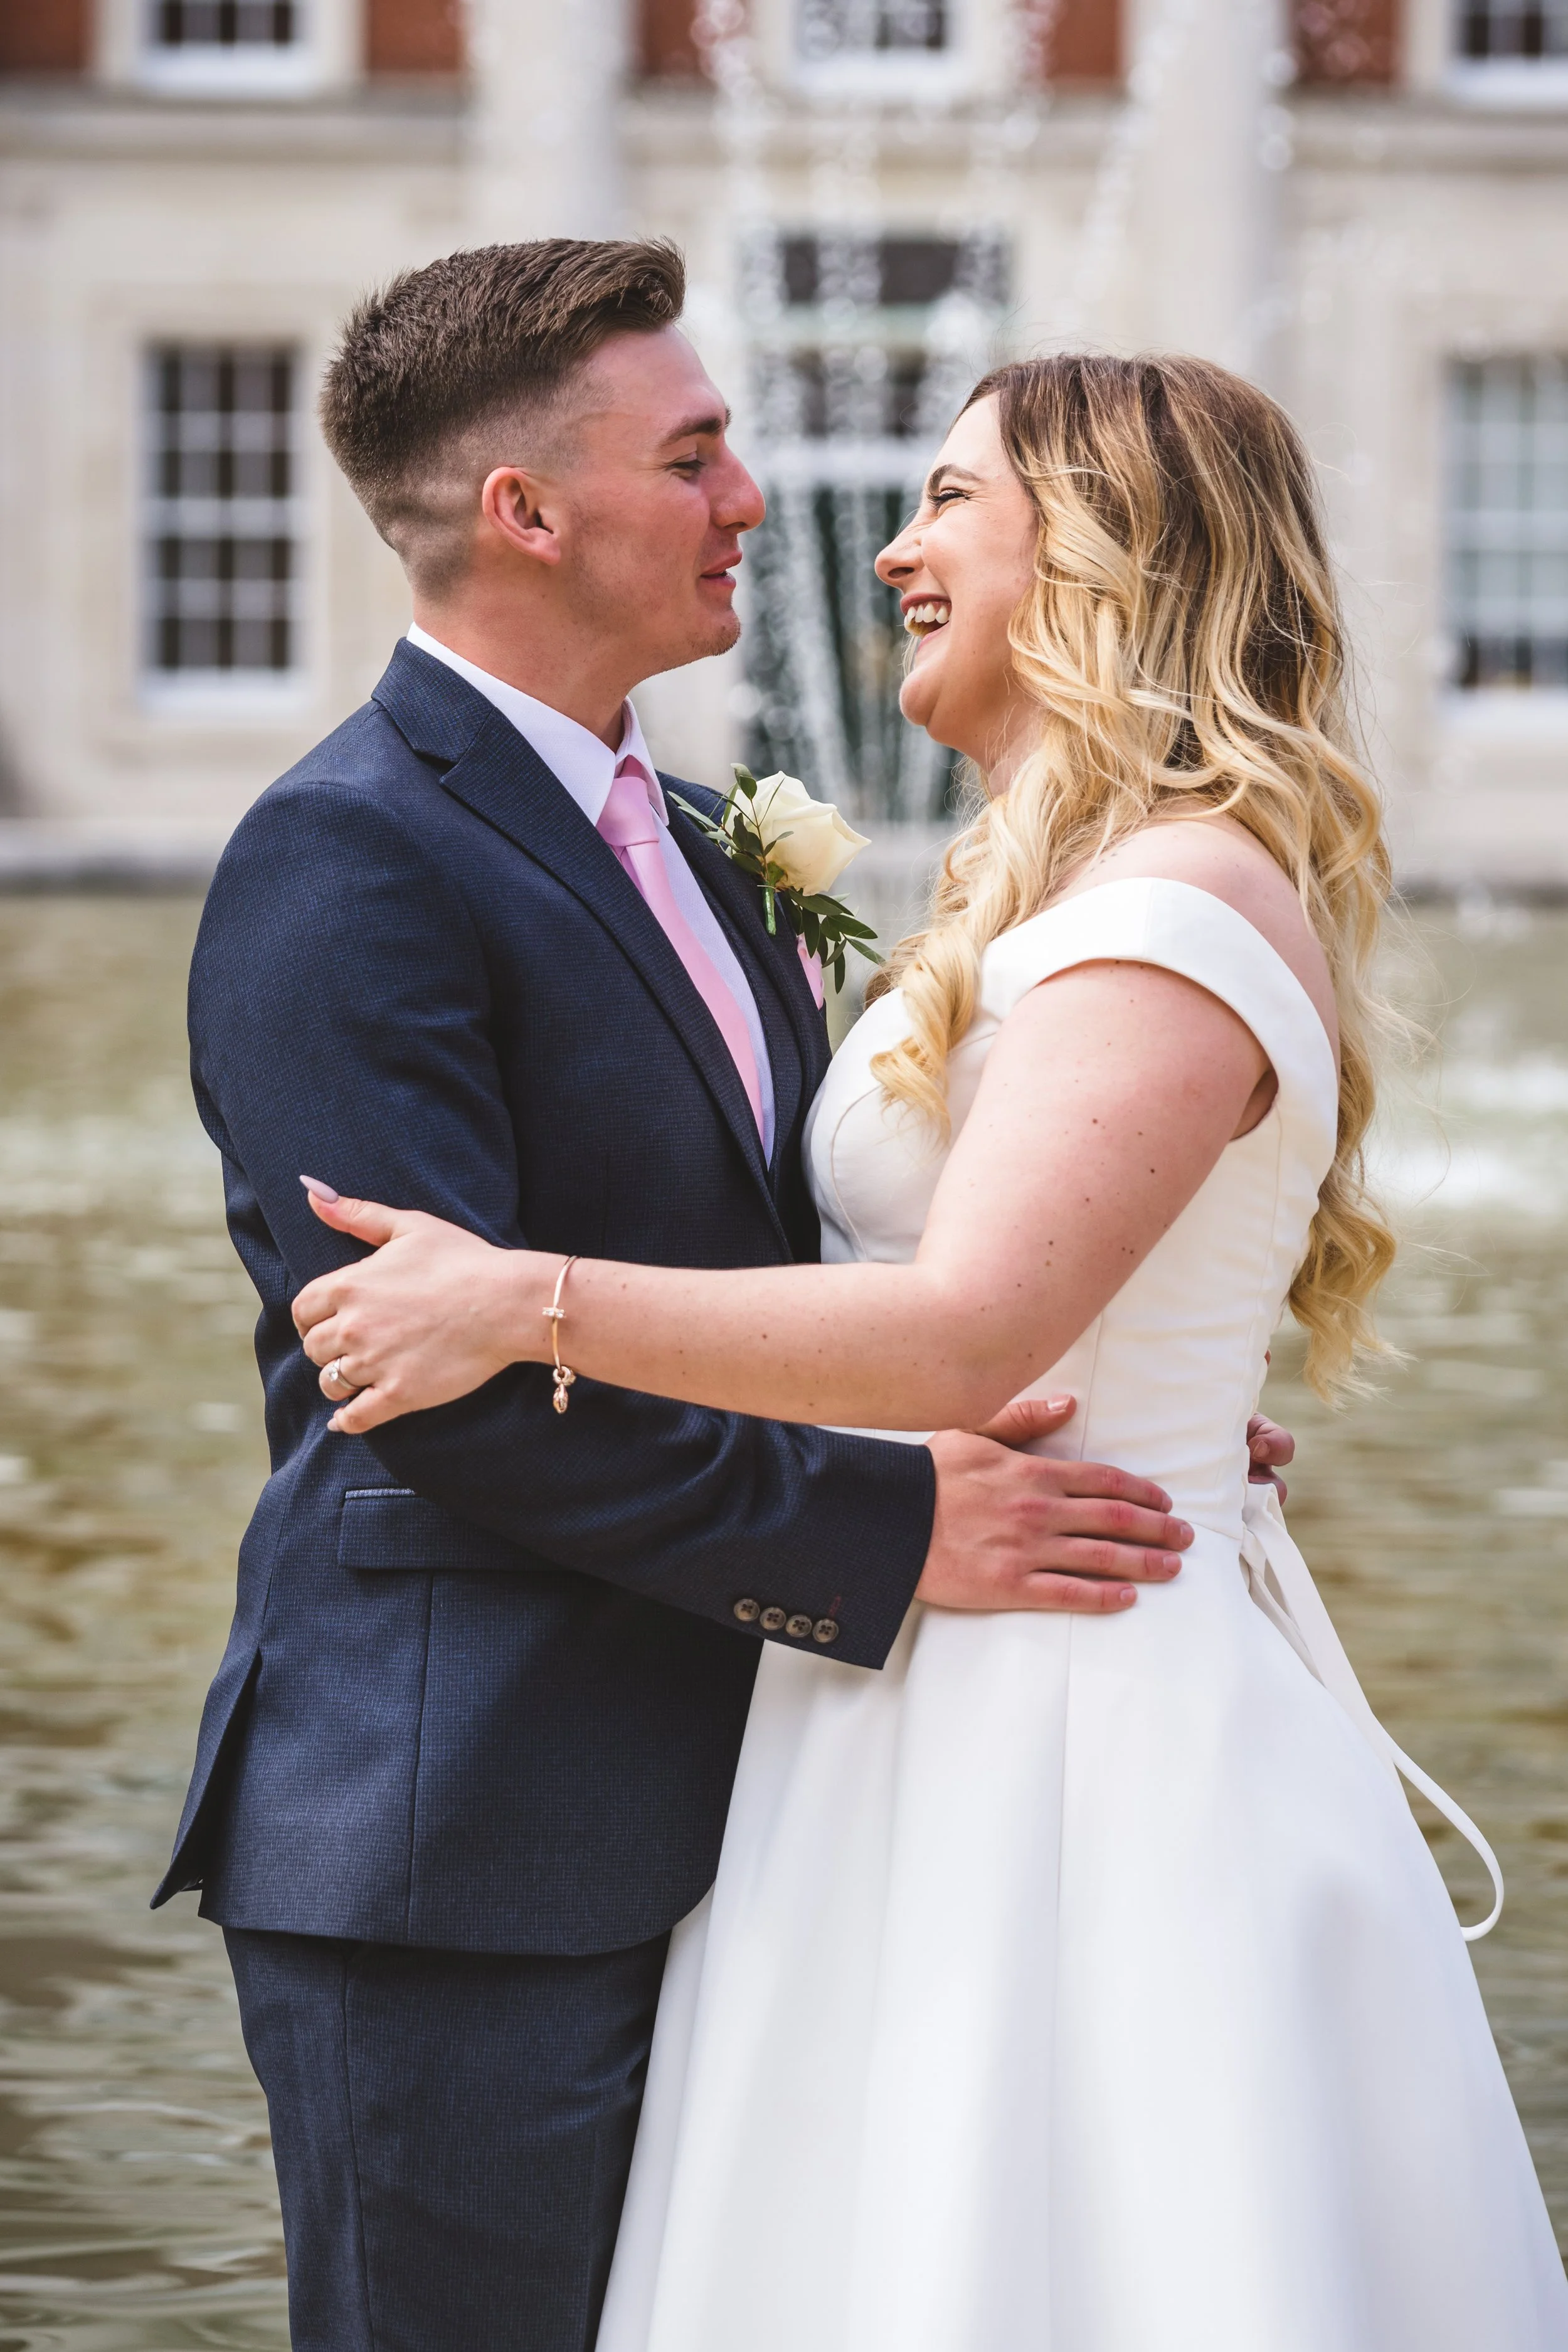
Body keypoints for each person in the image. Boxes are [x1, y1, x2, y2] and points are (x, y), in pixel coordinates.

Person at [294, 352, 1568, 2349]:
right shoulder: (1054, 889)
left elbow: (967, 1321)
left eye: (951, 498)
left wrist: (515, 1296)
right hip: (909, 1658)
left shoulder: (1172, 893)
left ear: (1099, 552)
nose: (885, 546)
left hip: (1071, 1706)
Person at [151, 243, 1286, 2352]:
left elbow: (811, 1266)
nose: (759, 499)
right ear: (526, 512)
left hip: (761, 1802)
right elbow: (433, 1382)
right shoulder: (347, 858)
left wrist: (1111, 1378)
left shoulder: (697, 836)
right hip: (462, 1833)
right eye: (694, 455)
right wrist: (893, 1521)